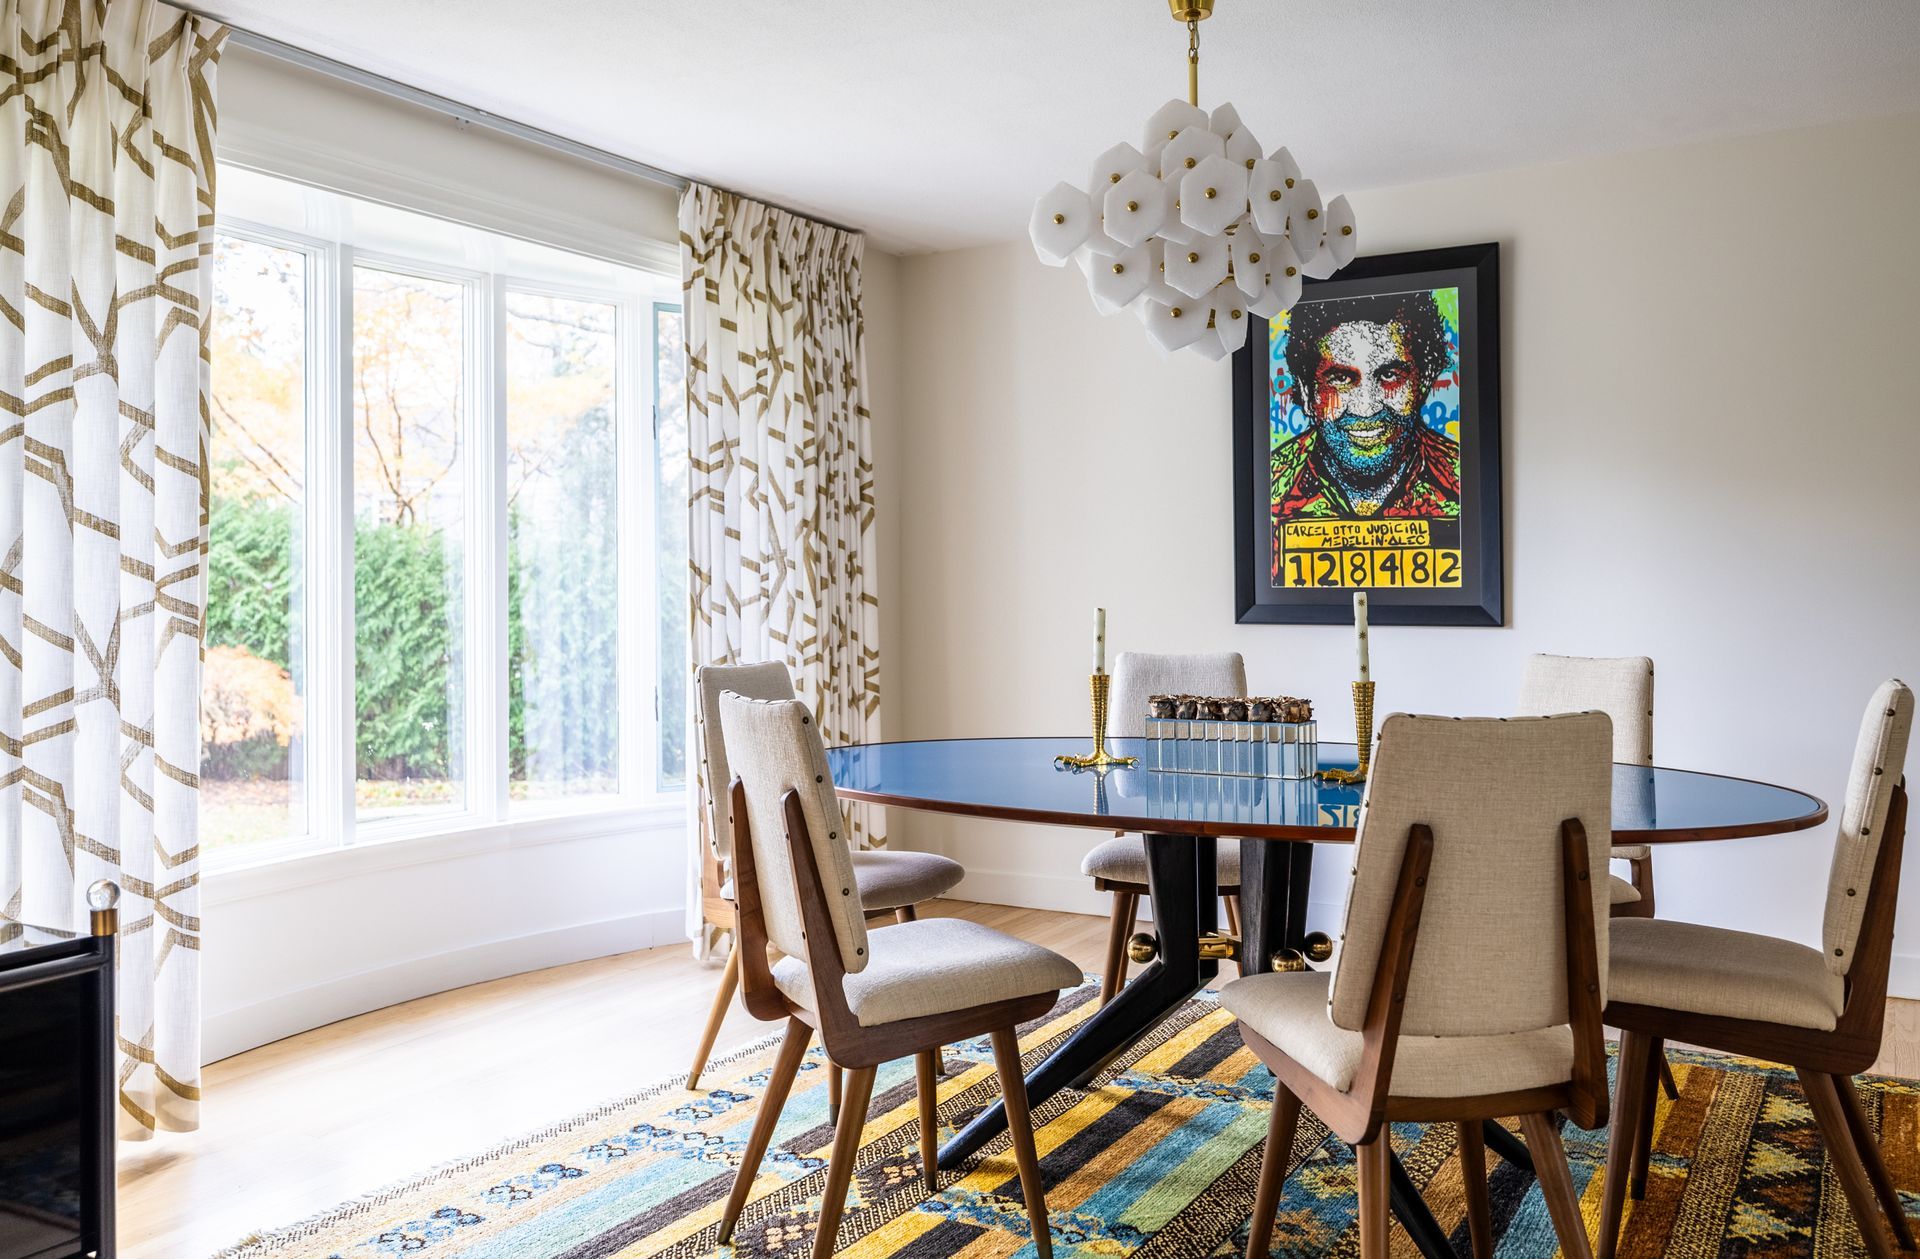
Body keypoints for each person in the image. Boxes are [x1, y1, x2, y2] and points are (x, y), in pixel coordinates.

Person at [1271, 289, 1461, 520]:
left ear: (1423, 382)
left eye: (1390, 375)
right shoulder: (1270, 488)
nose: (1366, 408)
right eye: (1341, 379)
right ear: (1307, 392)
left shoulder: (1463, 480)